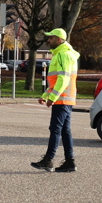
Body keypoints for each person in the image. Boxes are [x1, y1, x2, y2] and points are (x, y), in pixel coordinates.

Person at [31, 28, 80, 173]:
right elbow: (56, 81)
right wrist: (46, 95)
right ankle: (69, 162)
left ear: (59, 40)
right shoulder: (63, 54)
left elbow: (63, 79)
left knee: (55, 129)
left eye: (51, 38)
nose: (48, 40)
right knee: (64, 130)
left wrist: (52, 98)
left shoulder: (63, 55)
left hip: (62, 99)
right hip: (65, 98)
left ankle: (48, 160)